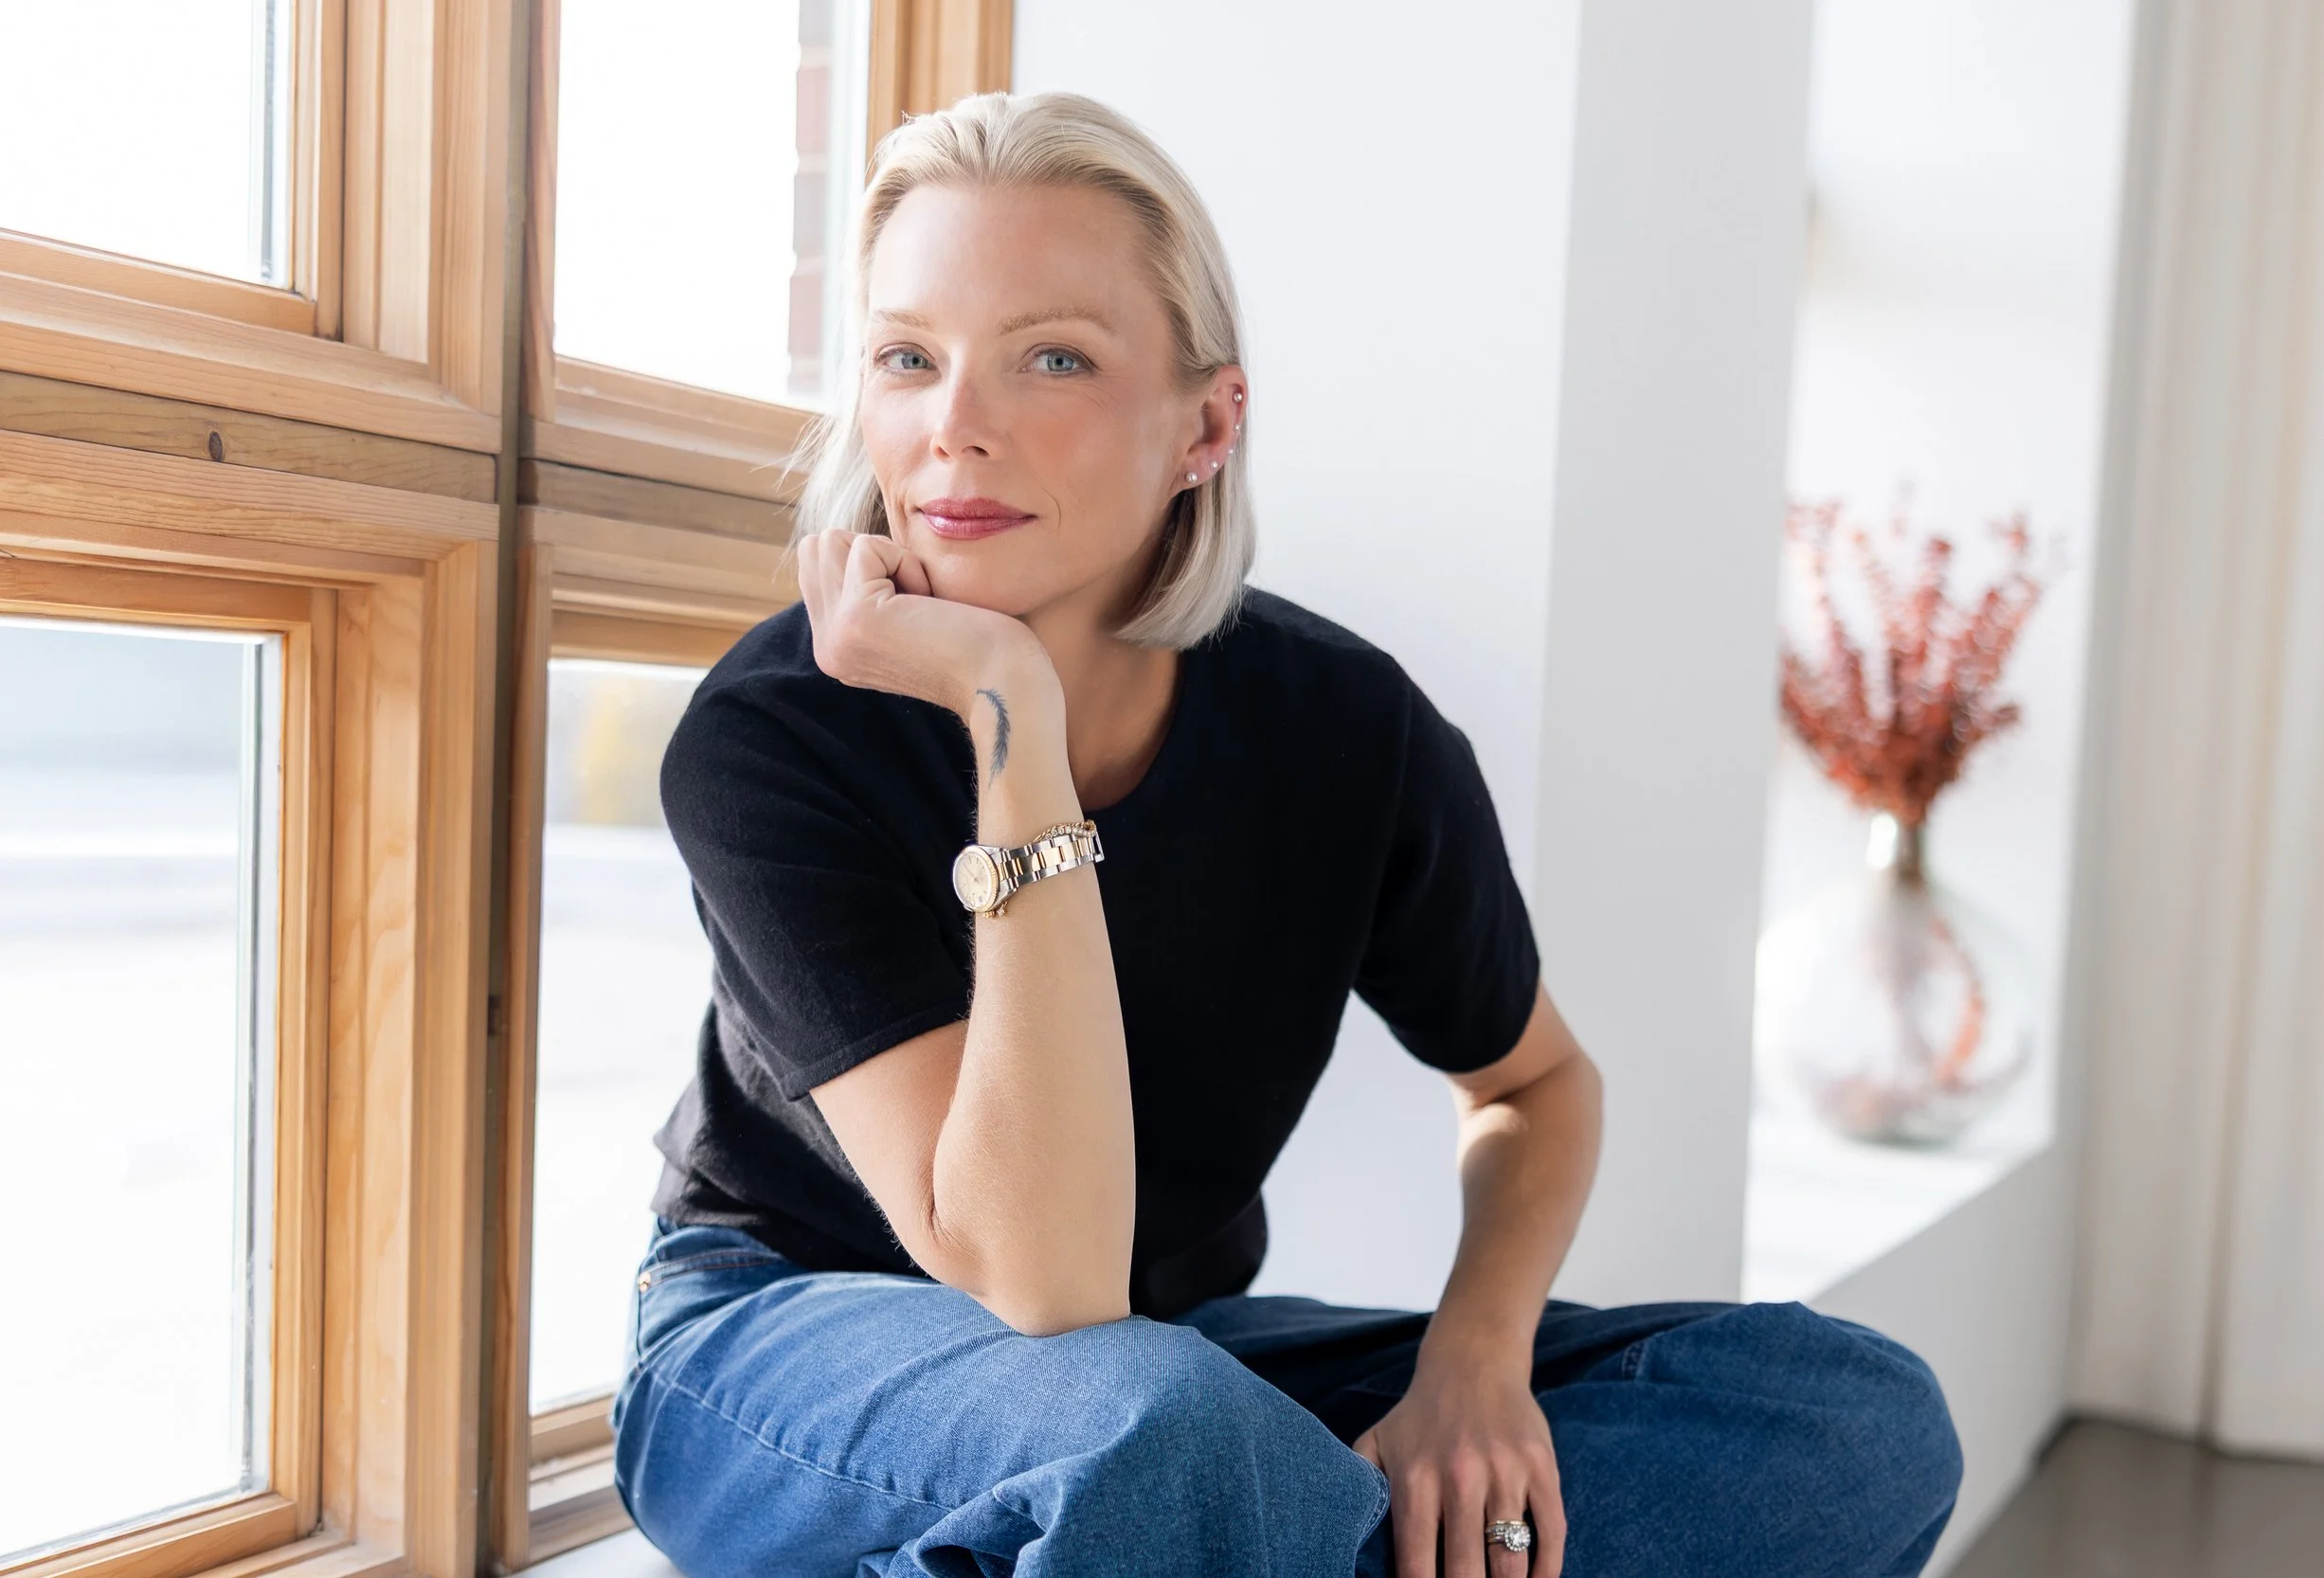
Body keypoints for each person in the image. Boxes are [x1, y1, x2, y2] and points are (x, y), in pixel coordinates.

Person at [608, 90, 1962, 1578]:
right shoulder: (777, 733)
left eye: (1051, 356)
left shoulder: (1344, 726)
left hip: (1157, 1366)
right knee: (1164, 1440)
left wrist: (1473, 1361)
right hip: (779, 1346)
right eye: (906, 359)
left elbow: (1535, 1083)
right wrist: (1011, 717)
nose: (956, 427)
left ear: (1207, 423)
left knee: (1846, 1412)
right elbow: (1038, 1277)